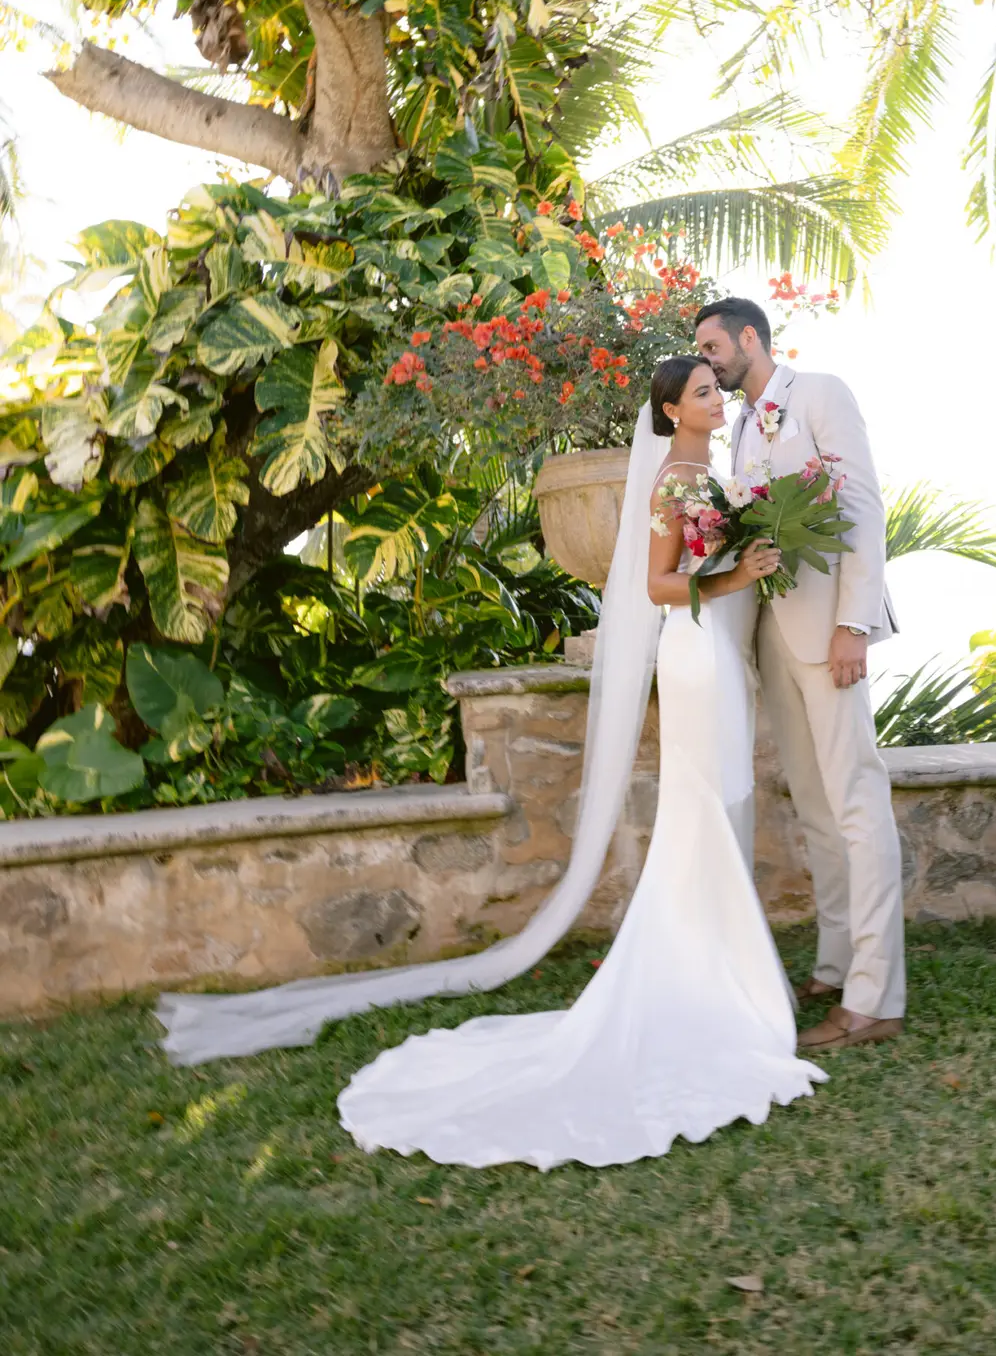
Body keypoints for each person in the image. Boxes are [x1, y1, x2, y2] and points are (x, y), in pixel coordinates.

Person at [158, 358, 824, 1171]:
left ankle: (728, 977)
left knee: (716, 801)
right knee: (703, 803)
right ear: (669, 410)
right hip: (693, 651)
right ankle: (708, 987)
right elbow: (658, 584)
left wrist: (750, 554)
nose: (716, 399)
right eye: (702, 394)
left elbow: (703, 564)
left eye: (716, 390)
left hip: (714, 649)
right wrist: (733, 578)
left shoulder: (706, 472)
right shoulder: (674, 480)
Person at [695, 297, 906, 1053]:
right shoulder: (744, 428)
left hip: (828, 632)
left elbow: (861, 509)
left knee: (854, 798)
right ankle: (836, 962)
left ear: (750, 337)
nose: (708, 360)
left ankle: (876, 998)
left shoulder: (819, 393)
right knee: (814, 805)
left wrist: (854, 624)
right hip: (773, 635)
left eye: (714, 345)